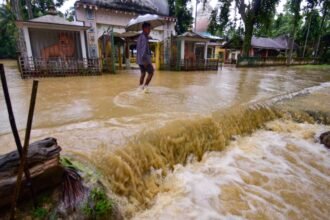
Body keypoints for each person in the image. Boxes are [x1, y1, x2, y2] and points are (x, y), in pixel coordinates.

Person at [136, 22, 154, 92]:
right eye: (148, 28)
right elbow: (143, 49)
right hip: (144, 60)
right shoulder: (144, 38)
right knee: (151, 72)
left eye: (150, 29)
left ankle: (140, 87)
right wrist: (145, 61)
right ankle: (145, 87)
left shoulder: (140, 37)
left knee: (143, 73)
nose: (149, 30)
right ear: (143, 29)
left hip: (139, 60)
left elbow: (138, 49)